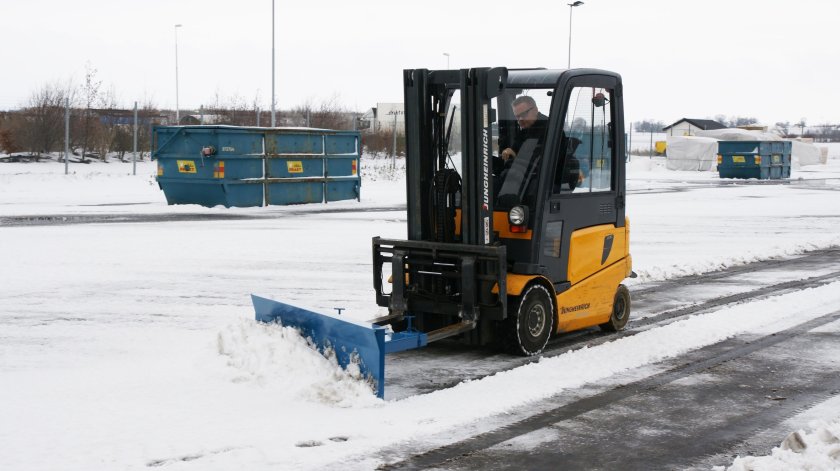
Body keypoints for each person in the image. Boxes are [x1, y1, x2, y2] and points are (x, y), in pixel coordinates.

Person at [499, 95, 548, 164]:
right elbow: (515, 148)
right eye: (517, 116)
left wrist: (515, 156)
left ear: (535, 110)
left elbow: (538, 163)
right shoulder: (526, 129)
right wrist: (508, 152)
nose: (520, 119)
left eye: (524, 114)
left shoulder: (549, 129)